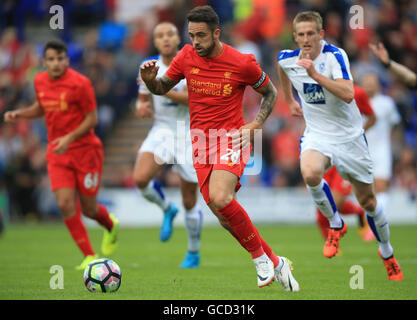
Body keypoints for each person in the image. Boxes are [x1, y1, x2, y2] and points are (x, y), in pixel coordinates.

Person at [140, 5, 299, 291]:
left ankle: (260, 261)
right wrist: (152, 82)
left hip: (231, 138)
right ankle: (277, 262)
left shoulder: (242, 62)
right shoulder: (186, 55)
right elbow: (163, 87)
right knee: (224, 217)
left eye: (201, 36)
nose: (195, 42)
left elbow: (270, 93)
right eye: (191, 36)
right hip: (200, 143)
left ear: (216, 33)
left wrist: (255, 125)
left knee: (221, 196)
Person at [277, 11, 402, 280]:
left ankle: (387, 253)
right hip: (318, 134)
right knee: (310, 173)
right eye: (301, 34)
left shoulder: (335, 56)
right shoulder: (287, 58)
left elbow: (347, 94)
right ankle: (336, 224)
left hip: (349, 138)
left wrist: (314, 74)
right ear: (295, 36)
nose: (306, 39)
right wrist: (289, 100)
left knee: (369, 202)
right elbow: (282, 70)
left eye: (311, 33)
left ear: (321, 34)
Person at [4, 40, 119, 270]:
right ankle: (89, 255)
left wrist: (69, 138)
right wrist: (21, 114)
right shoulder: (39, 80)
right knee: (66, 204)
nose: (56, 63)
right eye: (51, 59)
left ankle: (110, 225)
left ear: (67, 60)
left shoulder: (81, 84)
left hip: (86, 152)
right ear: (44, 62)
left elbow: (92, 119)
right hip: (58, 153)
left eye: (60, 59)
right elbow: (42, 107)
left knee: (89, 209)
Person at [134, 22, 203, 268]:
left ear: (178, 38)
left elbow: (195, 100)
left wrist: (160, 88)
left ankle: (193, 252)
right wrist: (141, 106)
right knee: (141, 179)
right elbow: (142, 98)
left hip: (189, 133)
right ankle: (166, 208)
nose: (165, 38)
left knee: (189, 200)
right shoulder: (148, 67)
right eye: (159, 35)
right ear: (155, 42)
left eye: (170, 34)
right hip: (162, 130)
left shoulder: (192, 63)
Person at [316, 85, 376, 242]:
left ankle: (334, 238)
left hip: (348, 156)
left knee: (334, 203)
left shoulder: (357, 92)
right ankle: (358, 212)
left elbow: (372, 117)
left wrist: (356, 135)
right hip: (327, 155)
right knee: (324, 205)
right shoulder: (320, 89)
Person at [360, 73, 401, 218]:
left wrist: (395, 146)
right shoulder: (355, 101)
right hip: (361, 152)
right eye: (367, 81)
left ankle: (380, 221)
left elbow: (395, 126)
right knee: (365, 191)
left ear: (378, 84)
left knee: (381, 186)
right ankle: (368, 220)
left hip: (381, 150)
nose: (370, 85)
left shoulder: (386, 103)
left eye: (372, 81)